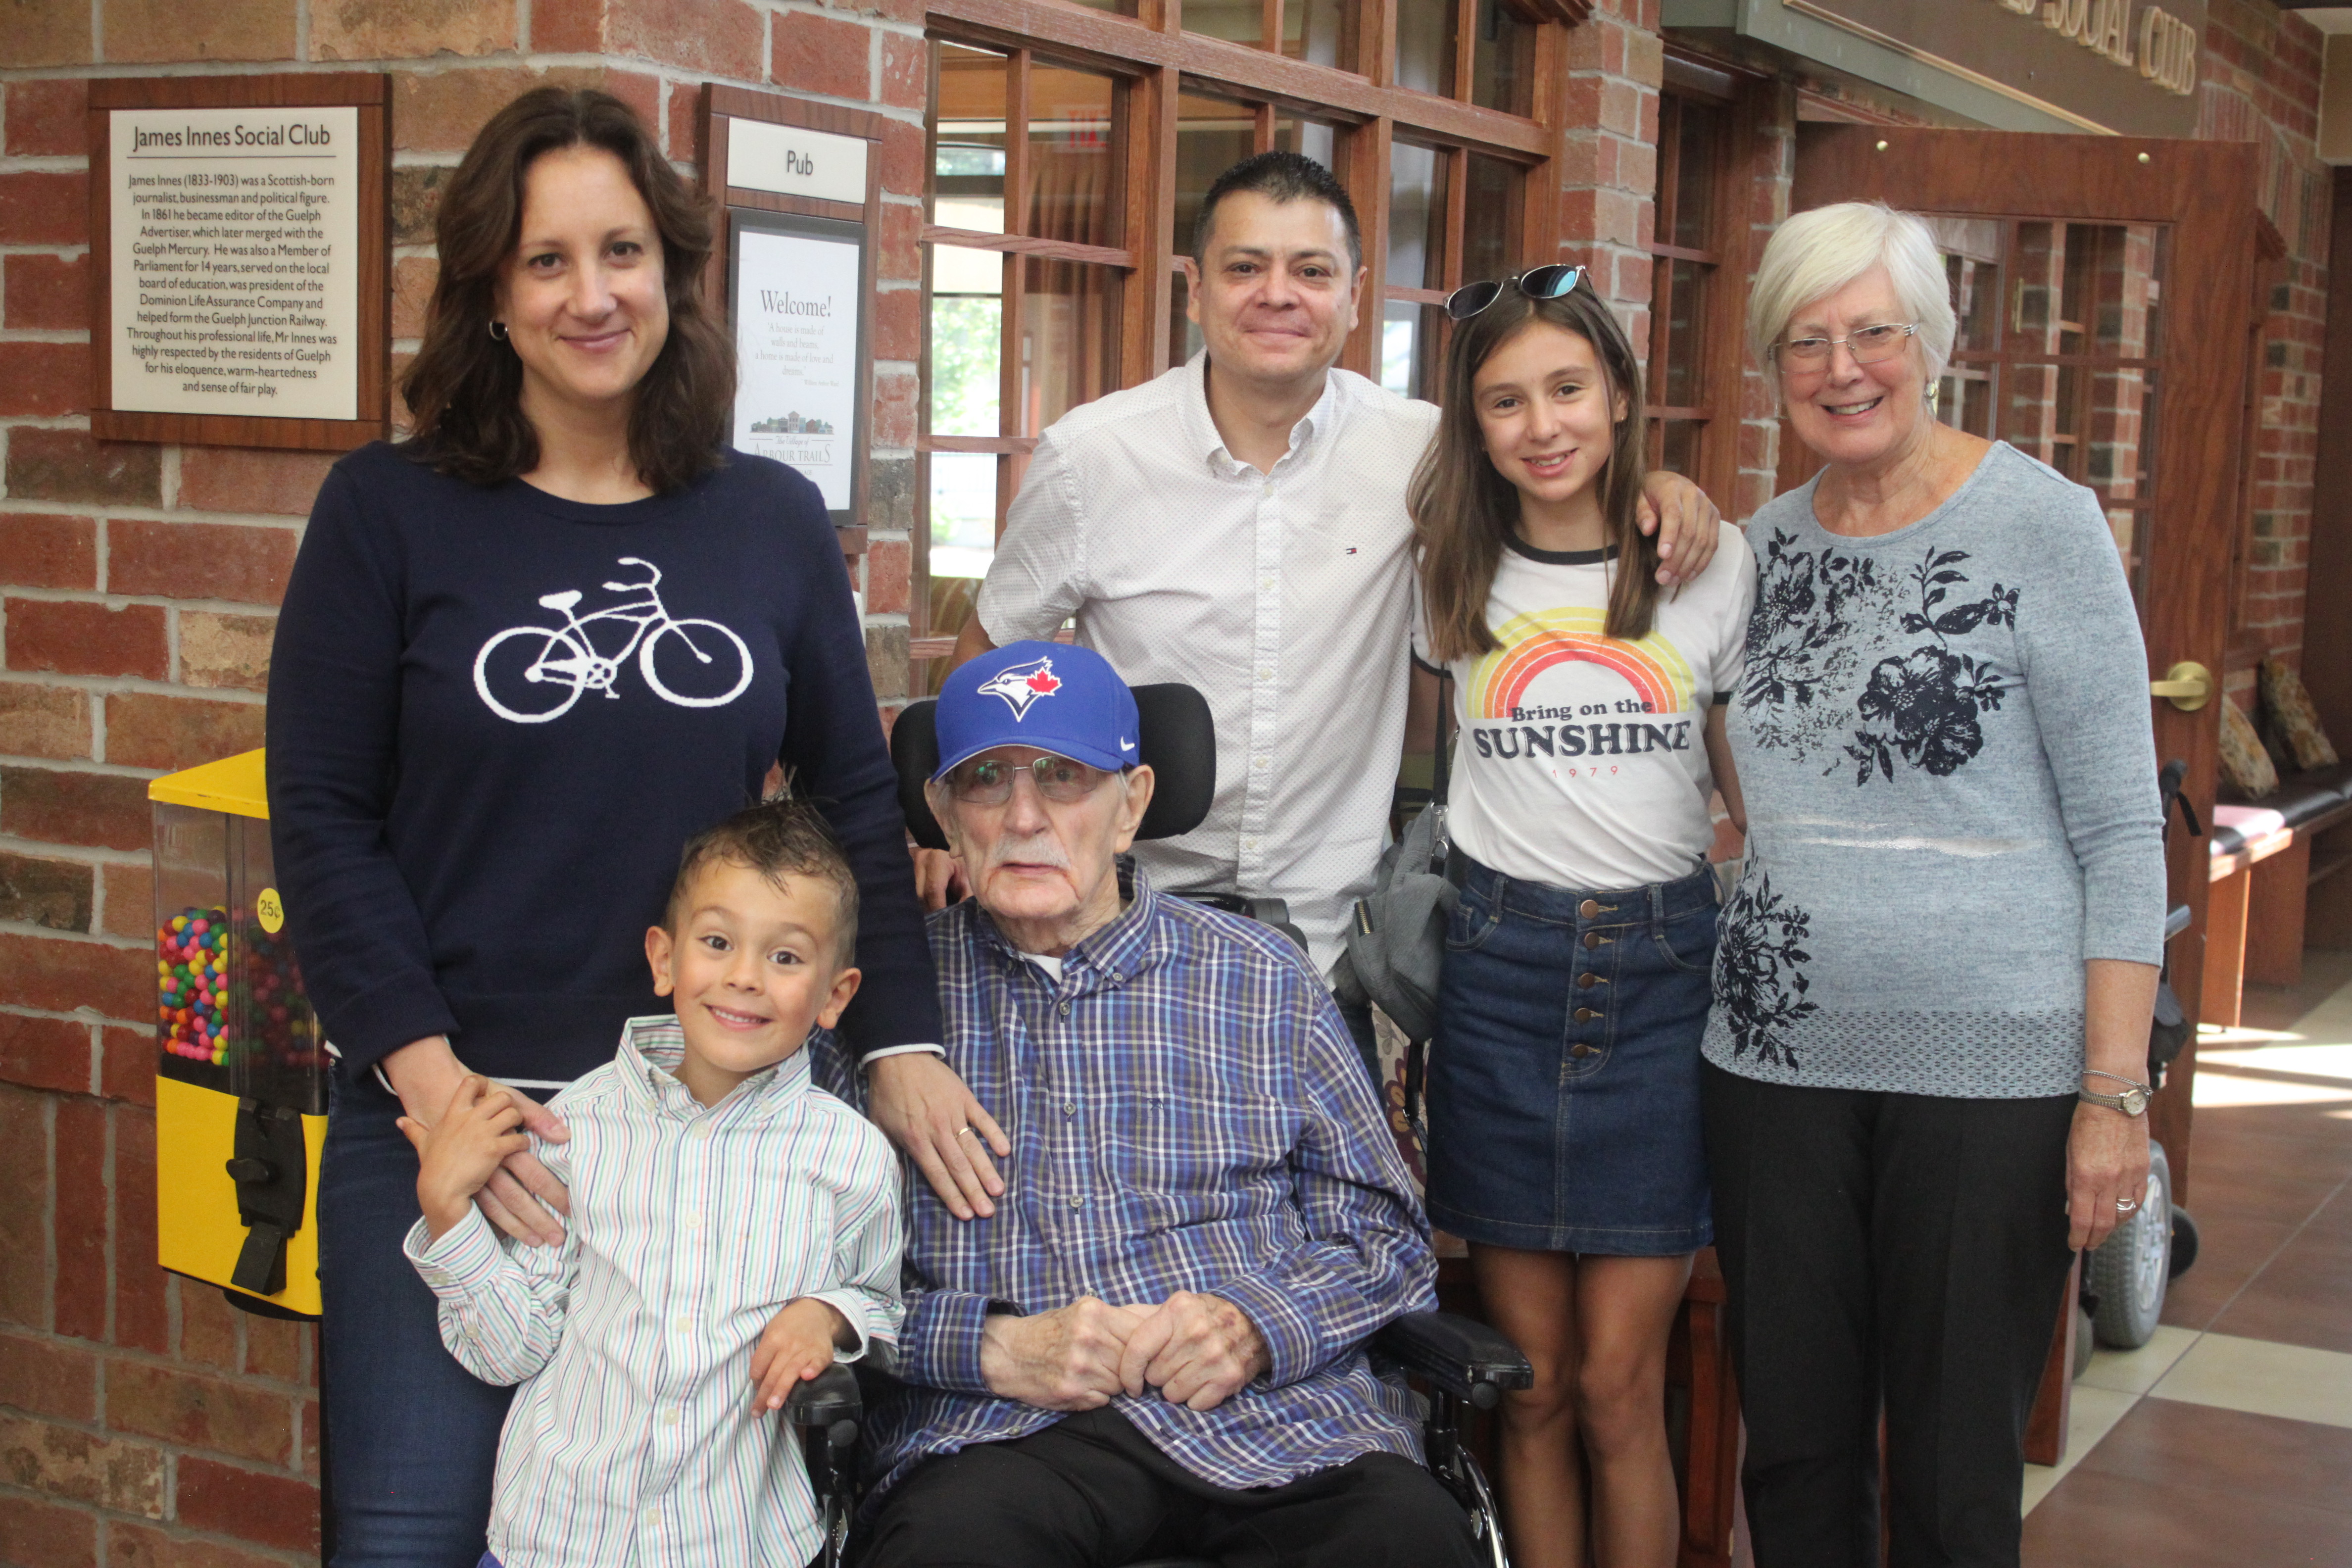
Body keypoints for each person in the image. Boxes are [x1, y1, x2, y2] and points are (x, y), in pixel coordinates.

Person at [265, 87, 939, 1566]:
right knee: (409, 1543)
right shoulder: (384, 511)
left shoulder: (764, 517)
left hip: (719, 1135)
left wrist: (901, 1041)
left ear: (673, 271)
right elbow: (318, 816)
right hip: (457, 1124)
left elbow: (853, 797)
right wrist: (438, 1094)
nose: (592, 294)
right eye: (546, 259)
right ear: (492, 296)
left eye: (622, 251)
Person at [886, 149, 1723, 1223]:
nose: (1278, 295)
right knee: (1102, 1221)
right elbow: (992, 655)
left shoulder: (1424, 452)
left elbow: (1560, 482)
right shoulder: (1094, 455)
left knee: (1315, 1231)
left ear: (1354, 295)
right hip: (1123, 928)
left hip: (1325, 947)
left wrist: (1658, 486)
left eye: (1311, 271)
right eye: (1246, 267)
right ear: (1195, 287)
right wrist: (934, 830)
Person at [1702, 201, 2164, 1567]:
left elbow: (2124, 832)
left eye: (1872, 334)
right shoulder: (1758, 550)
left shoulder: (2045, 525)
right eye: (1806, 343)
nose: (1843, 369)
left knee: (1958, 1472)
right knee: (1789, 1447)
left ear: (1934, 344)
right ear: (1773, 367)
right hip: (1772, 1063)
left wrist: (2113, 1093)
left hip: (1993, 1076)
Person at [849, 640, 1477, 1568]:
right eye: (985, 782)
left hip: (1279, 1426)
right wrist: (988, 1348)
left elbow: (1386, 1238)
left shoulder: (1262, 978)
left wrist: (1258, 1324)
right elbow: (800, 1269)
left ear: (1131, 805)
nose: (1025, 817)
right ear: (943, 812)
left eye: (1066, 778)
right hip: (1003, 1435)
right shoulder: (884, 1009)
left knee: (1404, 1545)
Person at [1408, 266, 1754, 1568]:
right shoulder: (1448, 563)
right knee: (1535, 1387)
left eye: (1566, 387)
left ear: (1618, 393)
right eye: (1506, 401)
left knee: (1620, 1387)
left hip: (1662, 981)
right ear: (1475, 422)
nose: (1541, 424)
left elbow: (1753, 794)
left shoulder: (1710, 564)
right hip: (1500, 979)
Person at [401, 797, 900, 1568]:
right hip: (558, 1538)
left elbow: (880, 1301)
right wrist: (446, 1211)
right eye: (717, 942)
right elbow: (510, 1352)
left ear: (835, 995)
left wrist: (827, 1314)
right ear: (665, 960)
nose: (744, 978)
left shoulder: (850, 1156)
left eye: (787, 957)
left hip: (737, 1543)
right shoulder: (577, 1128)